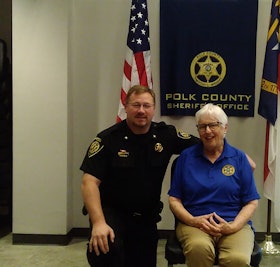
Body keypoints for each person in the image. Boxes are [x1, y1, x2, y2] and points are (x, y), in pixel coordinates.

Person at [80, 85, 199, 267]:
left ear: (153, 109)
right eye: (136, 105)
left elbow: (205, 145)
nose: (141, 111)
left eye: (147, 106)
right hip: (112, 214)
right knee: (106, 249)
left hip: (145, 217)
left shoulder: (165, 135)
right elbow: (89, 183)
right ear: (126, 107)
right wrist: (98, 223)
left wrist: (236, 155)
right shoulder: (108, 139)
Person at [168, 103, 260, 267]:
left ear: (225, 128)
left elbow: (251, 201)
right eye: (202, 126)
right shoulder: (186, 158)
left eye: (213, 125)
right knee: (199, 249)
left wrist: (233, 226)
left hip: (234, 223)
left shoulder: (239, 159)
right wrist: (193, 220)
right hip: (195, 224)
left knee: (237, 259)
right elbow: (174, 200)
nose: (208, 131)